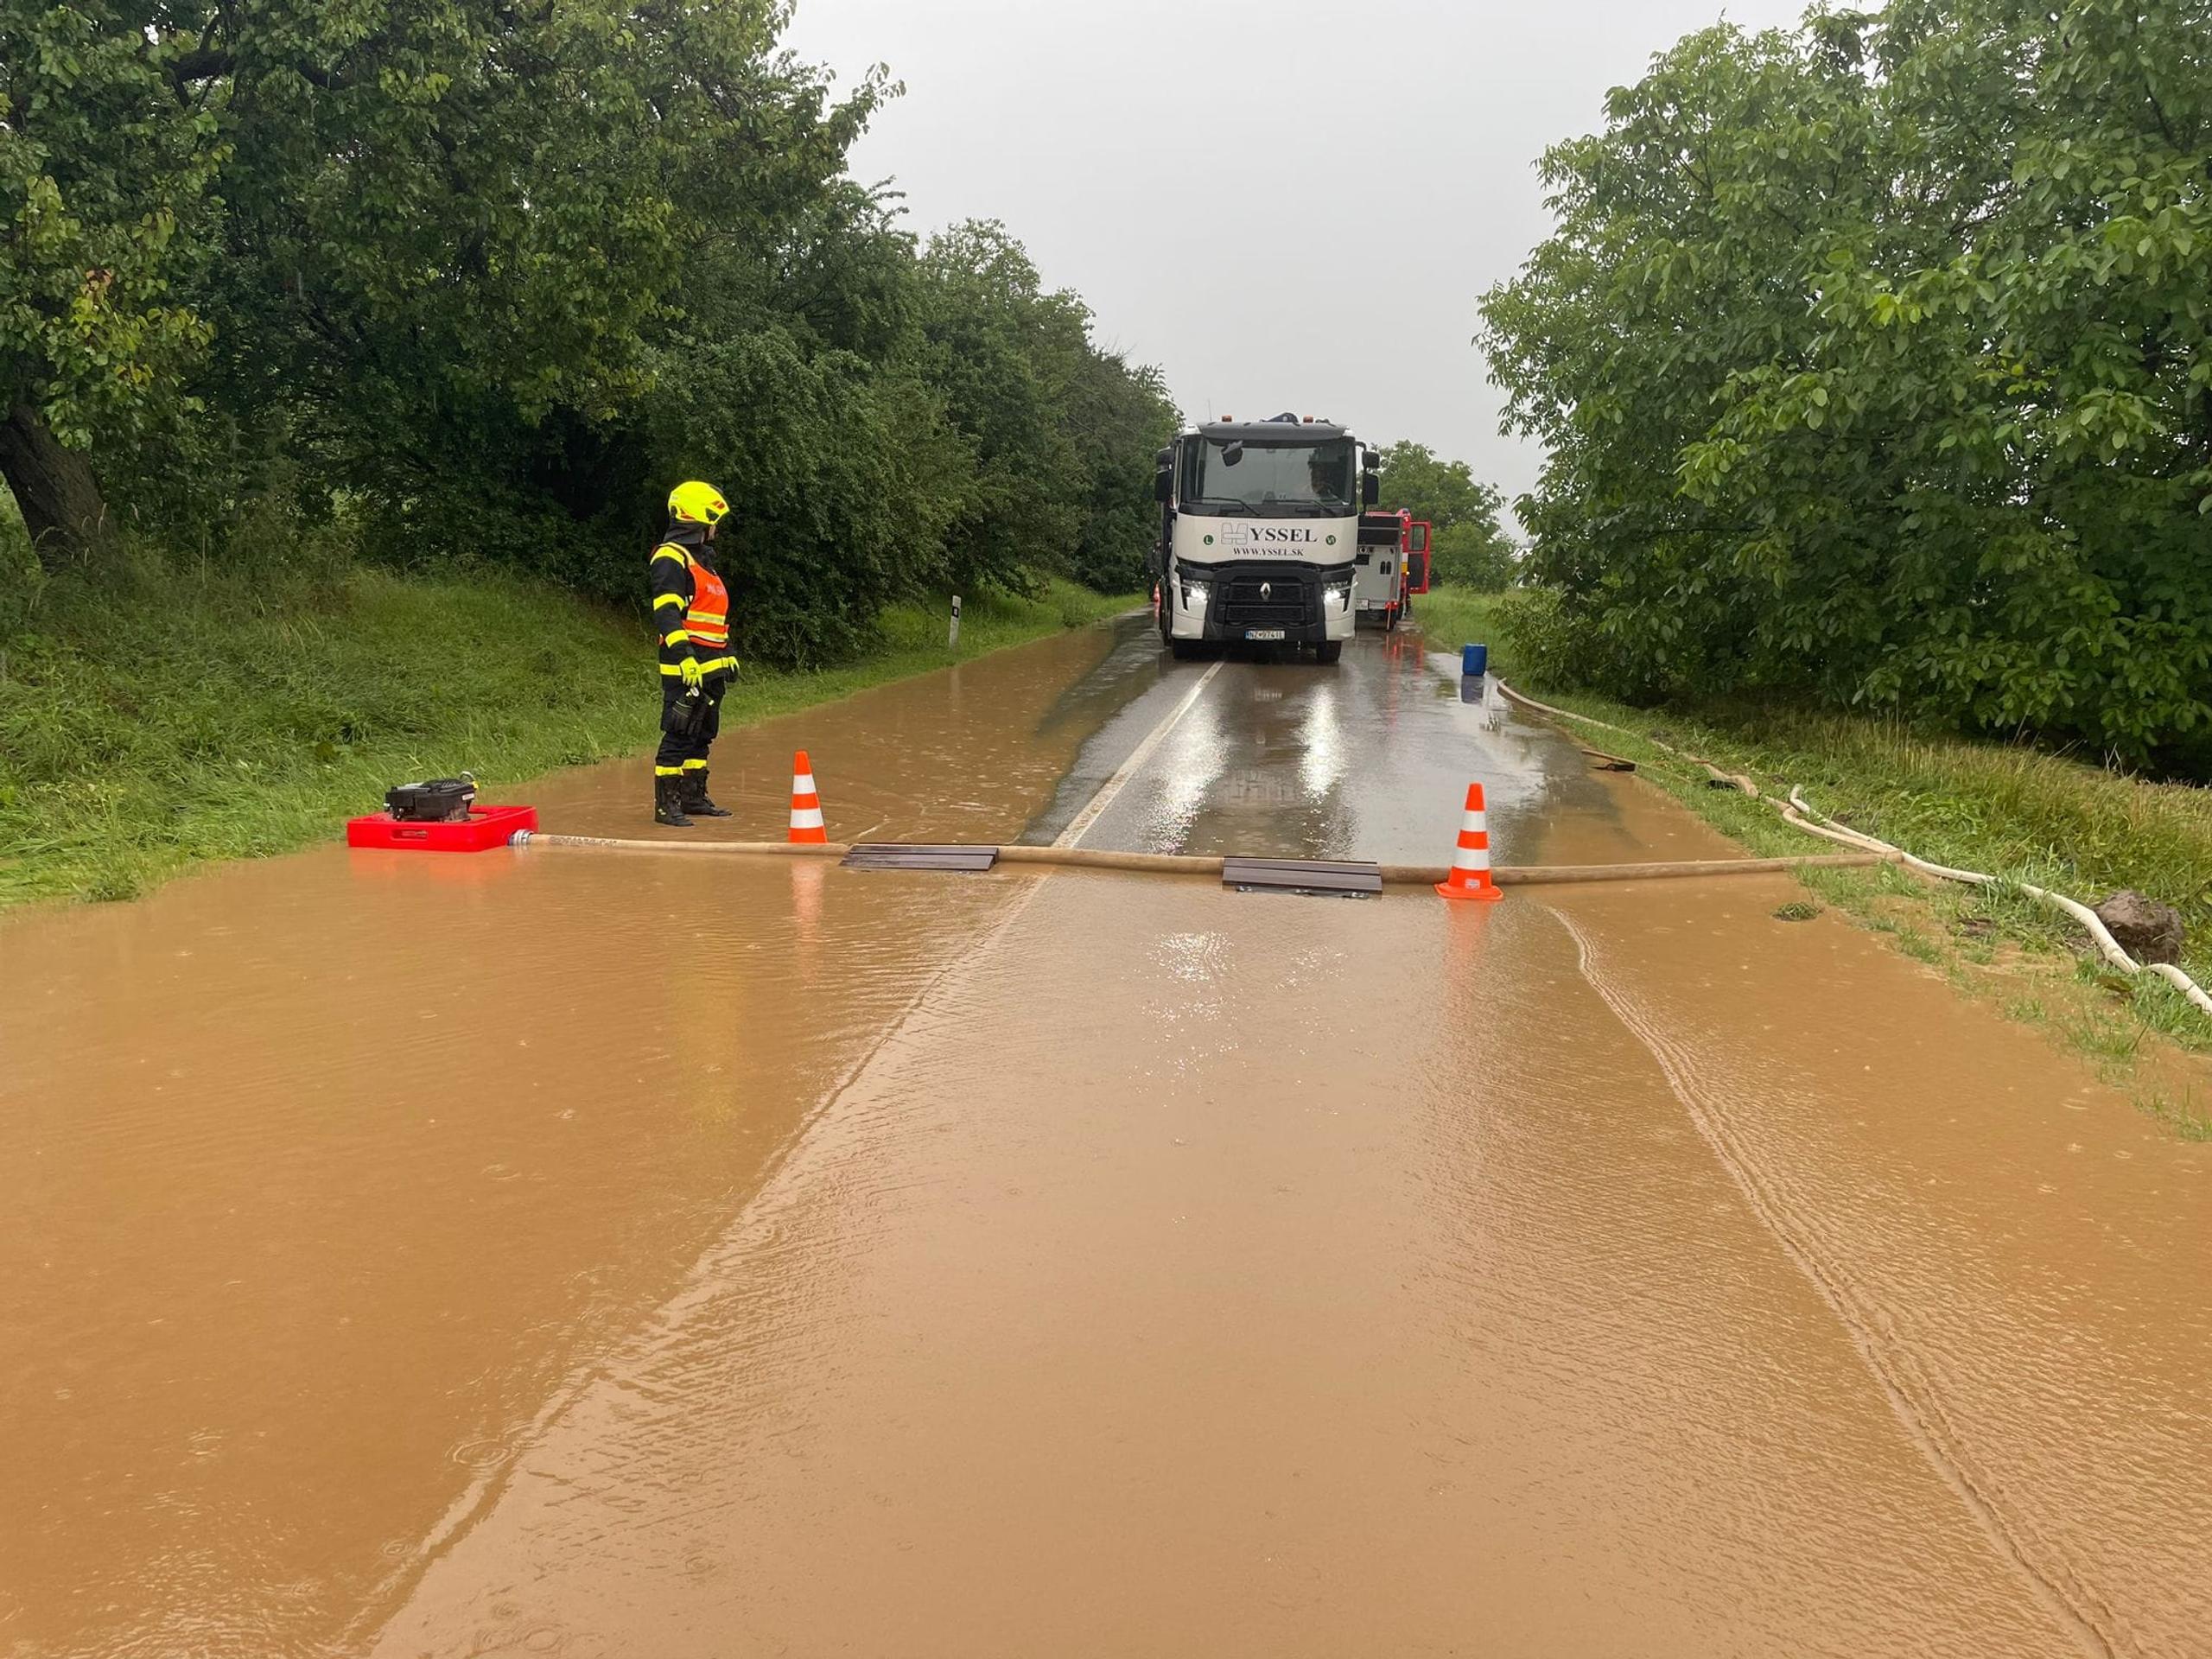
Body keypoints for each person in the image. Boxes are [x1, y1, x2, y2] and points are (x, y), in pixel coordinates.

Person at [650, 480, 739, 826]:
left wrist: (728, 652)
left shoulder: (706, 563)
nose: (717, 528)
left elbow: (714, 617)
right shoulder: (672, 557)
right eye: (713, 520)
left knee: (703, 733)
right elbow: (667, 613)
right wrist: (684, 656)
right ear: (697, 518)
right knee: (679, 732)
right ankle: (665, 806)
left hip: (712, 665)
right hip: (685, 665)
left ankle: (693, 798)